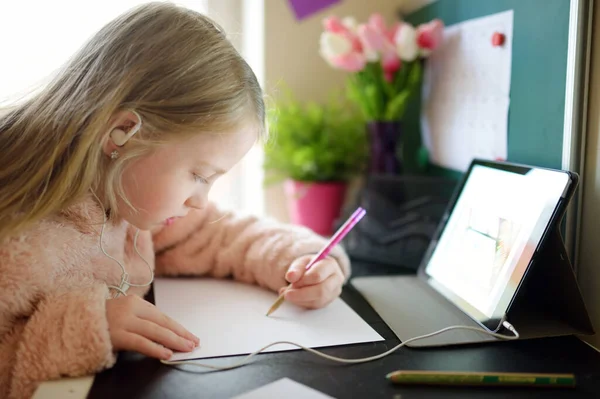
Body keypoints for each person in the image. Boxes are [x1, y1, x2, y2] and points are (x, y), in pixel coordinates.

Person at [0, 3, 350, 398]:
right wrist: (88, 326)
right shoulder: (20, 239)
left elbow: (221, 236)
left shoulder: (124, 198)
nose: (200, 202)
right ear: (123, 133)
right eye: (199, 176)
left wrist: (301, 260)